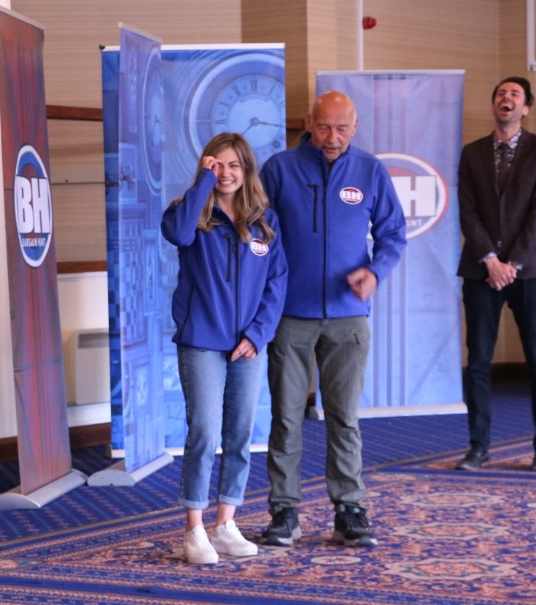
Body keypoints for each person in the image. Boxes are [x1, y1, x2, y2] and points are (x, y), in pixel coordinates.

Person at [259, 91, 407, 548]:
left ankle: (350, 509)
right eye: (324, 127)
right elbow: (259, 232)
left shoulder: (370, 170)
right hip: (289, 316)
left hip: (348, 319)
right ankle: (285, 512)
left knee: (344, 417)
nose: (332, 137)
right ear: (309, 122)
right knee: (286, 417)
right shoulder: (279, 169)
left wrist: (375, 271)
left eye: (342, 129)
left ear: (355, 127)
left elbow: (393, 234)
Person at [161, 133, 288, 565]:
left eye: (235, 166)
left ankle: (226, 522)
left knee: (240, 435)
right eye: (219, 166)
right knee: (205, 433)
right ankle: (194, 530)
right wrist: (202, 184)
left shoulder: (264, 220)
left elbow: (277, 280)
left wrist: (259, 333)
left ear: (247, 170)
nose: (227, 174)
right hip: (202, 343)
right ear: (206, 168)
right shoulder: (190, 213)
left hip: (248, 346)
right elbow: (177, 236)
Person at [455, 76, 536, 473]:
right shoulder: (472, 153)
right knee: (479, 360)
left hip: (530, 269)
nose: (506, 98)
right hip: (482, 270)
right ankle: (478, 447)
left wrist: (511, 262)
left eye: (514, 95)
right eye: (500, 93)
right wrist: (490, 260)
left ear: (526, 107)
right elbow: (468, 210)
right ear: (494, 105)